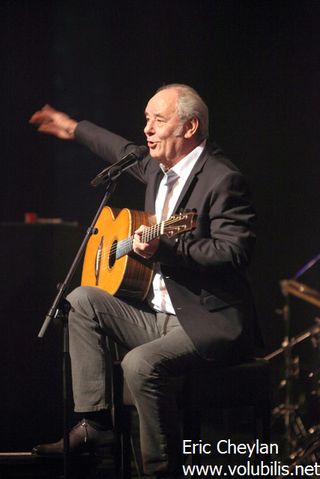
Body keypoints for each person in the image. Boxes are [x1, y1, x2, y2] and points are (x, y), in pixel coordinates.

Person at [29, 84, 260, 479]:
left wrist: (167, 249)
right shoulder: (157, 167)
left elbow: (234, 254)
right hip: (158, 317)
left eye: (158, 120)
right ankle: (95, 425)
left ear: (190, 127)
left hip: (206, 322)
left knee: (139, 363)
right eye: (146, 120)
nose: (147, 130)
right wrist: (73, 127)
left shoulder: (223, 179)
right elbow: (118, 149)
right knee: (82, 299)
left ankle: (158, 470)